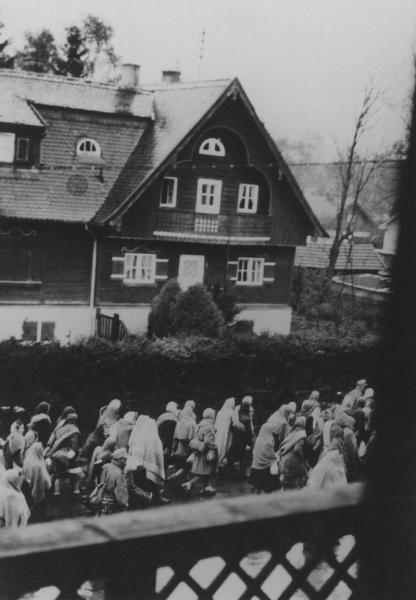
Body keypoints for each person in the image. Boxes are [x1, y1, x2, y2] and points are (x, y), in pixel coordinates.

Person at [128, 415, 167, 503]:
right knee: (147, 482)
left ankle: (153, 497)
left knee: (145, 482)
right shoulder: (148, 435)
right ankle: (153, 497)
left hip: (140, 463)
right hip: (142, 464)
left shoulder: (145, 434)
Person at [45, 412, 81, 495]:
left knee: (58, 473)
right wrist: (76, 454)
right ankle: (76, 490)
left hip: (56, 455)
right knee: (76, 473)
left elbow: (52, 442)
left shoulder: (59, 429)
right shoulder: (74, 429)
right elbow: (74, 445)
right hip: (68, 455)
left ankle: (56, 491)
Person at [183, 408, 218, 496]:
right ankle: (189, 484)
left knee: (205, 473)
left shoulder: (201, 424)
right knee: (205, 472)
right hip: (206, 453)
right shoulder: (209, 426)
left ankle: (205, 488)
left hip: (199, 452)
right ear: (211, 416)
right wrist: (215, 447)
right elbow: (208, 441)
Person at [250, 419, 287, 493]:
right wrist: (277, 456)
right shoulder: (269, 441)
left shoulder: (258, 439)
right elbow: (271, 456)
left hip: (255, 466)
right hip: (265, 469)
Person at [225, 396, 254, 479]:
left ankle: (228, 474)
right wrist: (249, 443)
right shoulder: (247, 419)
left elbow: (231, 428)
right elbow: (248, 433)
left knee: (231, 458)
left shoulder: (236, 416)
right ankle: (241, 476)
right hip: (243, 442)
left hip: (236, 440)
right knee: (243, 460)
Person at [22, 441, 51, 520]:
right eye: (41, 449)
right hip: (37, 489)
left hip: (28, 487)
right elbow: (39, 483)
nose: (43, 451)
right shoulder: (38, 465)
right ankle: (40, 514)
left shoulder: (28, 460)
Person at [278, 416, 308, 490]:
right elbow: (297, 449)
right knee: (302, 479)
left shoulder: (290, 432)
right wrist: (302, 458)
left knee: (287, 484)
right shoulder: (301, 434)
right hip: (293, 462)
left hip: (284, 461)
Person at [99, 448, 129, 514]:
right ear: (121, 459)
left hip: (102, 503)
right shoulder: (119, 474)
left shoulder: (106, 467)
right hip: (114, 507)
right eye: (125, 459)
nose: (126, 461)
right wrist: (125, 505)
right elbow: (121, 497)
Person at [215, 397, 235, 464]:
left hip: (218, 432)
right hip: (226, 432)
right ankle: (221, 458)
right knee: (225, 444)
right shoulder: (232, 413)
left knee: (218, 443)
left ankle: (216, 457)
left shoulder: (220, 412)